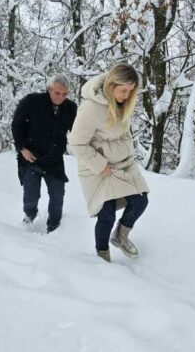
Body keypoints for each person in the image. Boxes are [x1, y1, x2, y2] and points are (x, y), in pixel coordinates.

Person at [68, 63, 149, 263]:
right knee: (107, 214)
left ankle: (120, 236)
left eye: (131, 92)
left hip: (122, 162)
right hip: (97, 168)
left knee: (140, 199)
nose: (127, 96)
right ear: (111, 85)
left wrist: (127, 152)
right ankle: (102, 254)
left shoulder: (122, 103)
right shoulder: (91, 107)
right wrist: (99, 164)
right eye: (123, 91)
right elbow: (77, 143)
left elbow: (125, 133)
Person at [11, 75, 77, 233]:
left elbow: (78, 133)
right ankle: (29, 216)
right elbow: (17, 126)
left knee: (57, 195)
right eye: (57, 93)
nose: (60, 97)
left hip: (54, 160)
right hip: (31, 157)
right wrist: (22, 149)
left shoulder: (71, 108)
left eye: (64, 94)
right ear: (49, 89)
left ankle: (54, 227)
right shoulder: (32, 101)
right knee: (31, 196)